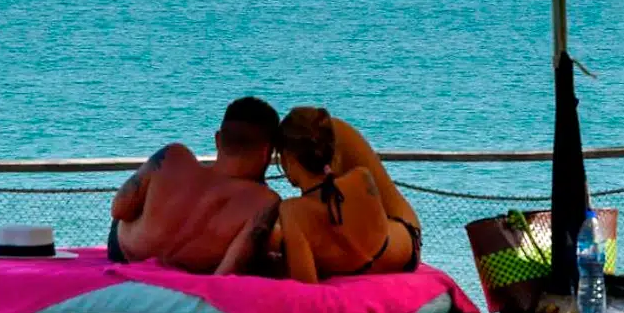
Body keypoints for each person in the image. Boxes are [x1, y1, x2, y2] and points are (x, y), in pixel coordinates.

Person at [107, 97, 281, 275]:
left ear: (218, 139)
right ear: (267, 151)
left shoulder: (173, 156)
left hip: (124, 251)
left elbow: (119, 210)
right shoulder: (263, 201)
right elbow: (228, 273)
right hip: (187, 271)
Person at [270, 107, 422, 284]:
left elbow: (306, 284)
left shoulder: (291, 211)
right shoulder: (362, 177)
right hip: (406, 252)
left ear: (287, 158)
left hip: (379, 254)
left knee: (279, 237)